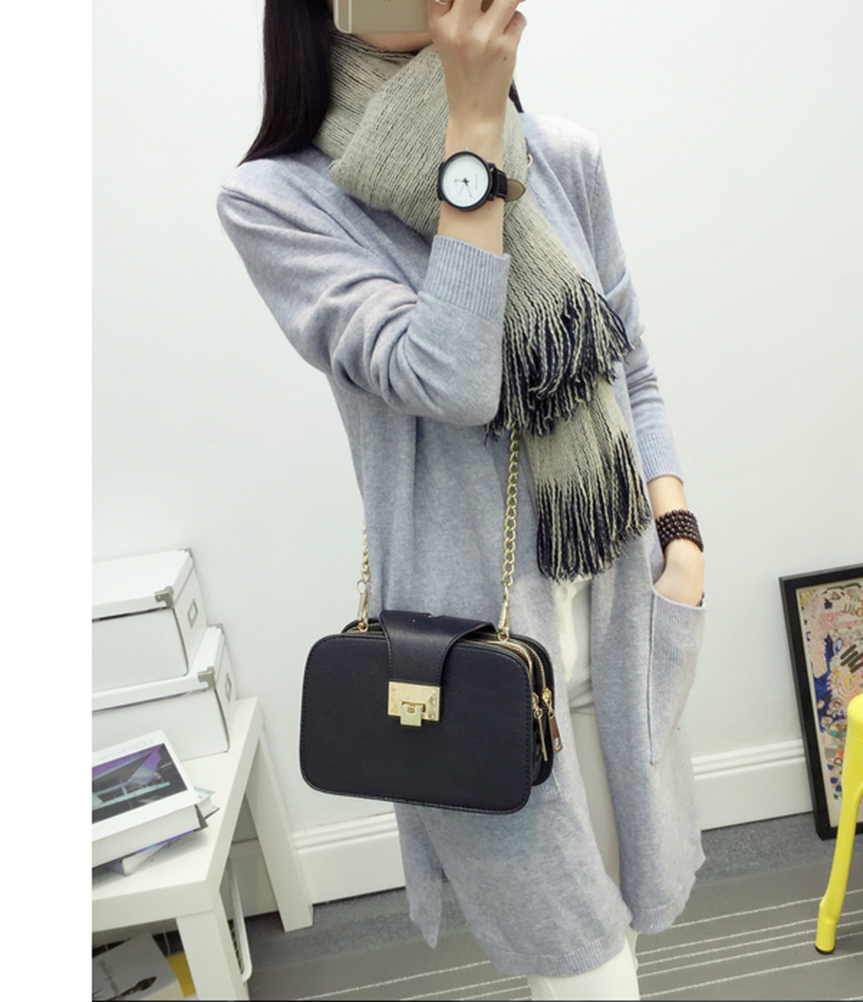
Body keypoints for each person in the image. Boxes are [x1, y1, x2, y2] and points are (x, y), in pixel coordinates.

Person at [218, 1, 706, 997]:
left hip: (620, 613)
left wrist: (681, 539)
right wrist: (473, 135)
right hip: (470, 656)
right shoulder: (278, 200)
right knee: (583, 968)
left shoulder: (562, 156)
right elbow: (449, 378)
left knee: (630, 924)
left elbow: (632, 368)